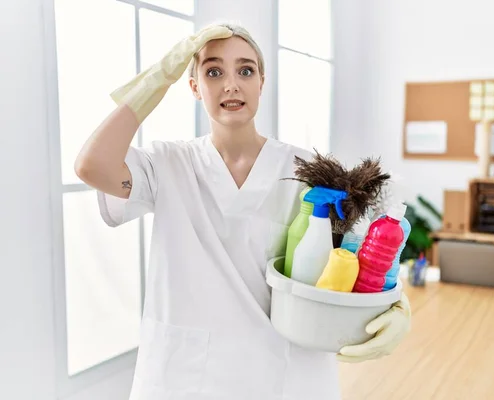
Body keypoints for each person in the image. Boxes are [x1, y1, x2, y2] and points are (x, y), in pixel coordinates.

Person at [75, 21, 411, 400]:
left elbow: (361, 252)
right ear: (193, 87)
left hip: (283, 372)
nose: (231, 84)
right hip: (187, 377)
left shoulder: (307, 170)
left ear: (262, 83)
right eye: (213, 71)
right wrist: (158, 78)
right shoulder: (168, 164)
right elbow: (91, 165)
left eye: (245, 70)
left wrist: (398, 304)